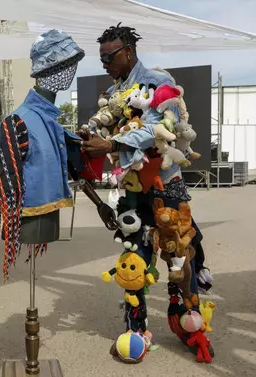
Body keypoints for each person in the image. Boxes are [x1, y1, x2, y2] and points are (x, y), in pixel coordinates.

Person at [78, 23, 214, 356]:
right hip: (132, 188)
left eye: (109, 57)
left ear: (128, 51)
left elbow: (158, 128)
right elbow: (109, 121)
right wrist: (92, 134)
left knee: (180, 251)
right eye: (102, 59)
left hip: (166, 185)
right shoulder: (114, 92)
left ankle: (187, 318)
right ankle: (135, 329)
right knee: (134, 253)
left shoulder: (158, 82)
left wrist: (111, 141)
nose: (105, 64)